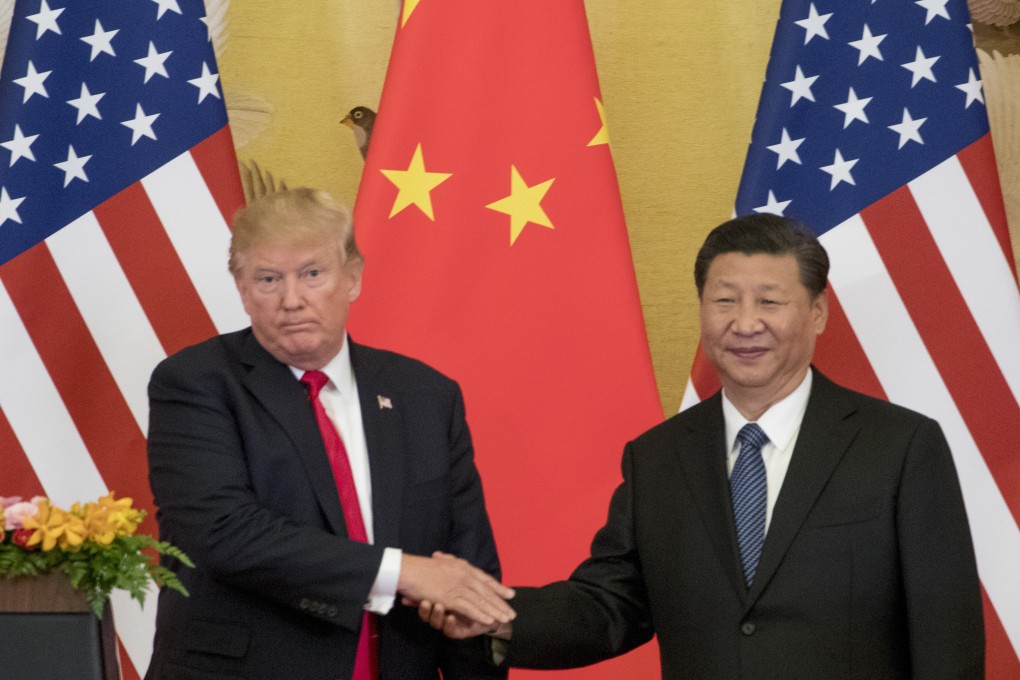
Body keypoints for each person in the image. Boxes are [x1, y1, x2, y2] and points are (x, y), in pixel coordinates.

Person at [423, 213, 984, 679]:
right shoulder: (659, 458)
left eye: (769, 302)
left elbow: (945, 639)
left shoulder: (902, 447)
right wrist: (496, 614)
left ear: (817, 313)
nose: (744, 324)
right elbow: (609, 606)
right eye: (724, 301)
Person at [145, 188, 514, 680]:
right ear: (242, 289)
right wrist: (403, 570)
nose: (292, 300)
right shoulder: (193, 383)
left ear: (353, 278)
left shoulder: (426, 394)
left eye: (312, 274)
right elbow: (225, 533)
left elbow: (466, 568)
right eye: (269, 279)